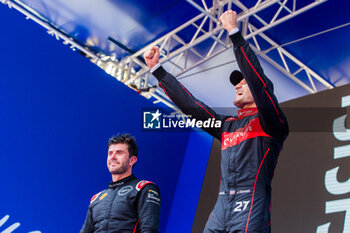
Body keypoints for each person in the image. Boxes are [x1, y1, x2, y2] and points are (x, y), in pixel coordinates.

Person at [144, 10, 288, 233]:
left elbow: (259, 82)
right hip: (220, 210)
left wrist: (234, 33)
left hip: (251, 208)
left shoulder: (271, 122)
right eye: (235, 83)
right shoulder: (225, 126)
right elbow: (190, 105)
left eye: (243, 83)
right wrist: (157, 70)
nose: (237, 85)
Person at [80, 134, 161, 233]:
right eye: (110, 153)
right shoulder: (96, 198)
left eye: (119, 153)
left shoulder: (144, 188)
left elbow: (149, 230)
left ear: (132, 160)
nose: (113, 157)